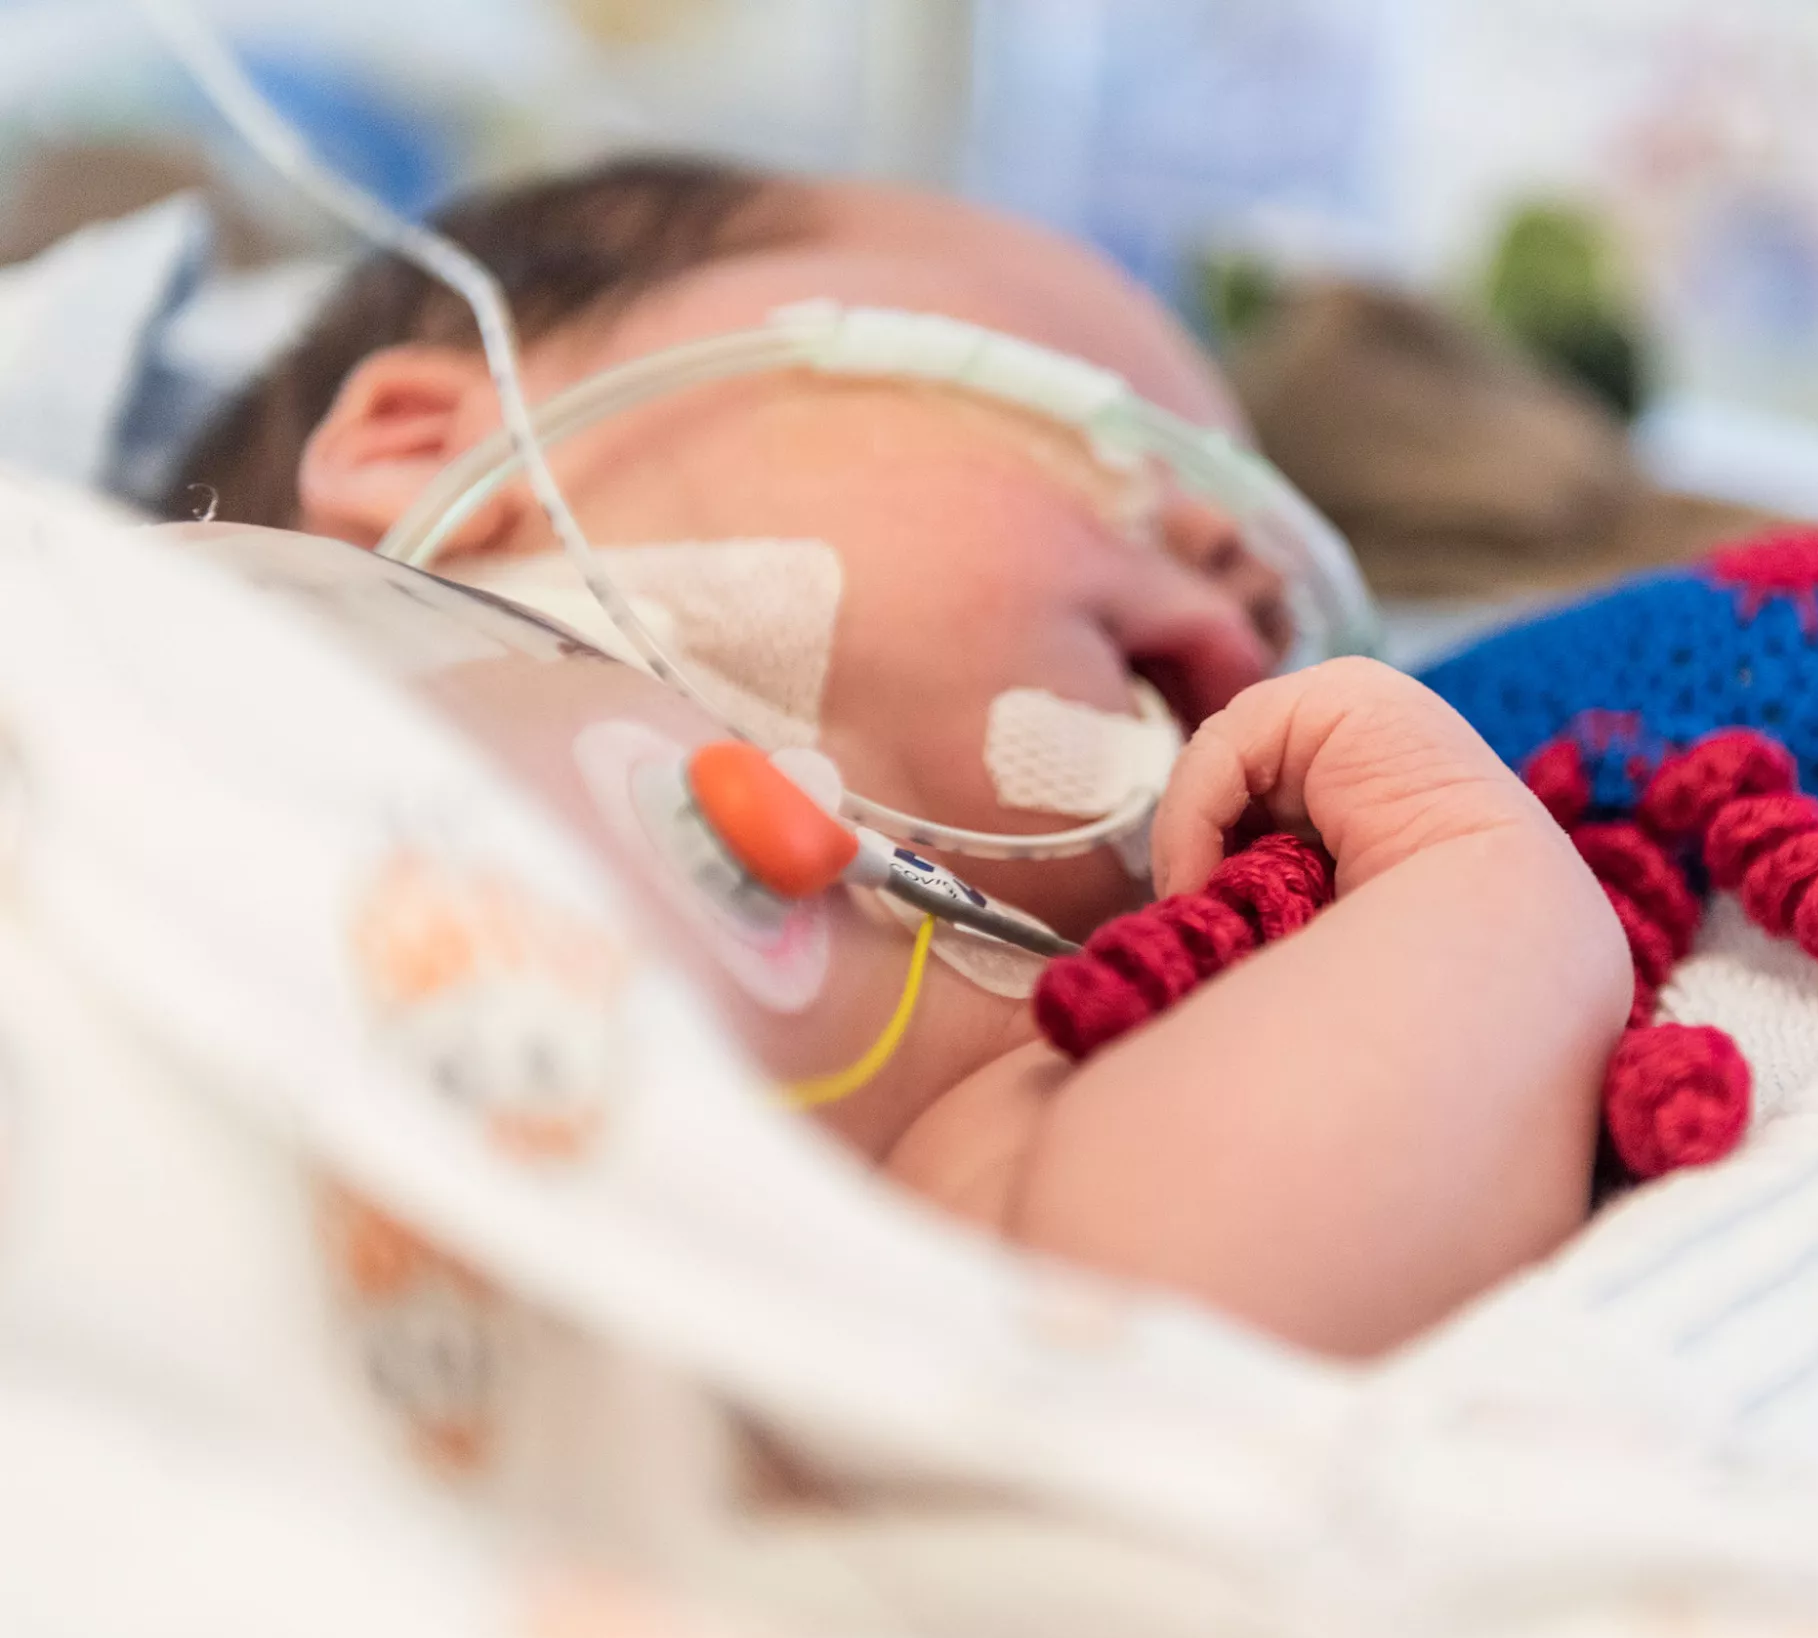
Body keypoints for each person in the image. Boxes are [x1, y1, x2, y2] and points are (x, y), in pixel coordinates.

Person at [163, 157, 1630, 1358]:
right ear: (429, 443)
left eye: (1289, 602)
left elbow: (1161, 1315)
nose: (1253, 560)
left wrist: (1479, 891)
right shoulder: (175, 612)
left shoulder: (988, 1032)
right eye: (1093, 409)